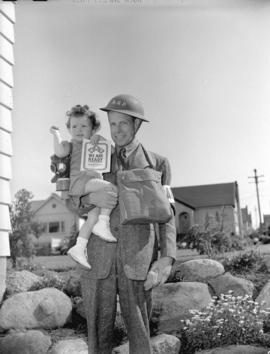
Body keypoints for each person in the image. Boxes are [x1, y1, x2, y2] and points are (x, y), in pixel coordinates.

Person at [66, 94, 176, 354]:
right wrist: (90, 196)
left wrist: (167, 257)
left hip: (138, 259)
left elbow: (168, 214)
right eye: (113, 124)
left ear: (136, 124)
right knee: (97, 335)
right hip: (97, 259)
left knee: (140, 332)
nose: (118, 130)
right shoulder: (94, 156)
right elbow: (72, 201)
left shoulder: (158, 163)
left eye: (124, 123)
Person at [50, 104, 117, 269]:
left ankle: (79, 247)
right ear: (69, 128)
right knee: (112, 189)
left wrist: (101, 140)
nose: (78, 130)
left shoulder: (95, 141)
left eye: (84, 126)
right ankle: (104, 222)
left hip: (91, 182)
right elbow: (59, 151)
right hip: (81, 182)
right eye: (74, 126)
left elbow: (112, 151)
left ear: (93, 128)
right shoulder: (70, 145)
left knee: (92, 217)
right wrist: (56, 134)